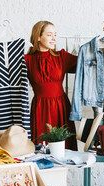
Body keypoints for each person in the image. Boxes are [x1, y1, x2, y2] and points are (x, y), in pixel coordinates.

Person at [25, 21, 78, 150]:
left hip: (61, 107)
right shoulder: (27, 60)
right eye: (49, 35)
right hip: (40, 109)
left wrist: (103, 42)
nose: (54, 38)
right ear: (38, 36)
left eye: (55, 34)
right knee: (41, 148)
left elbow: (86, 63)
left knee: (65, 149)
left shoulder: (62, 56)